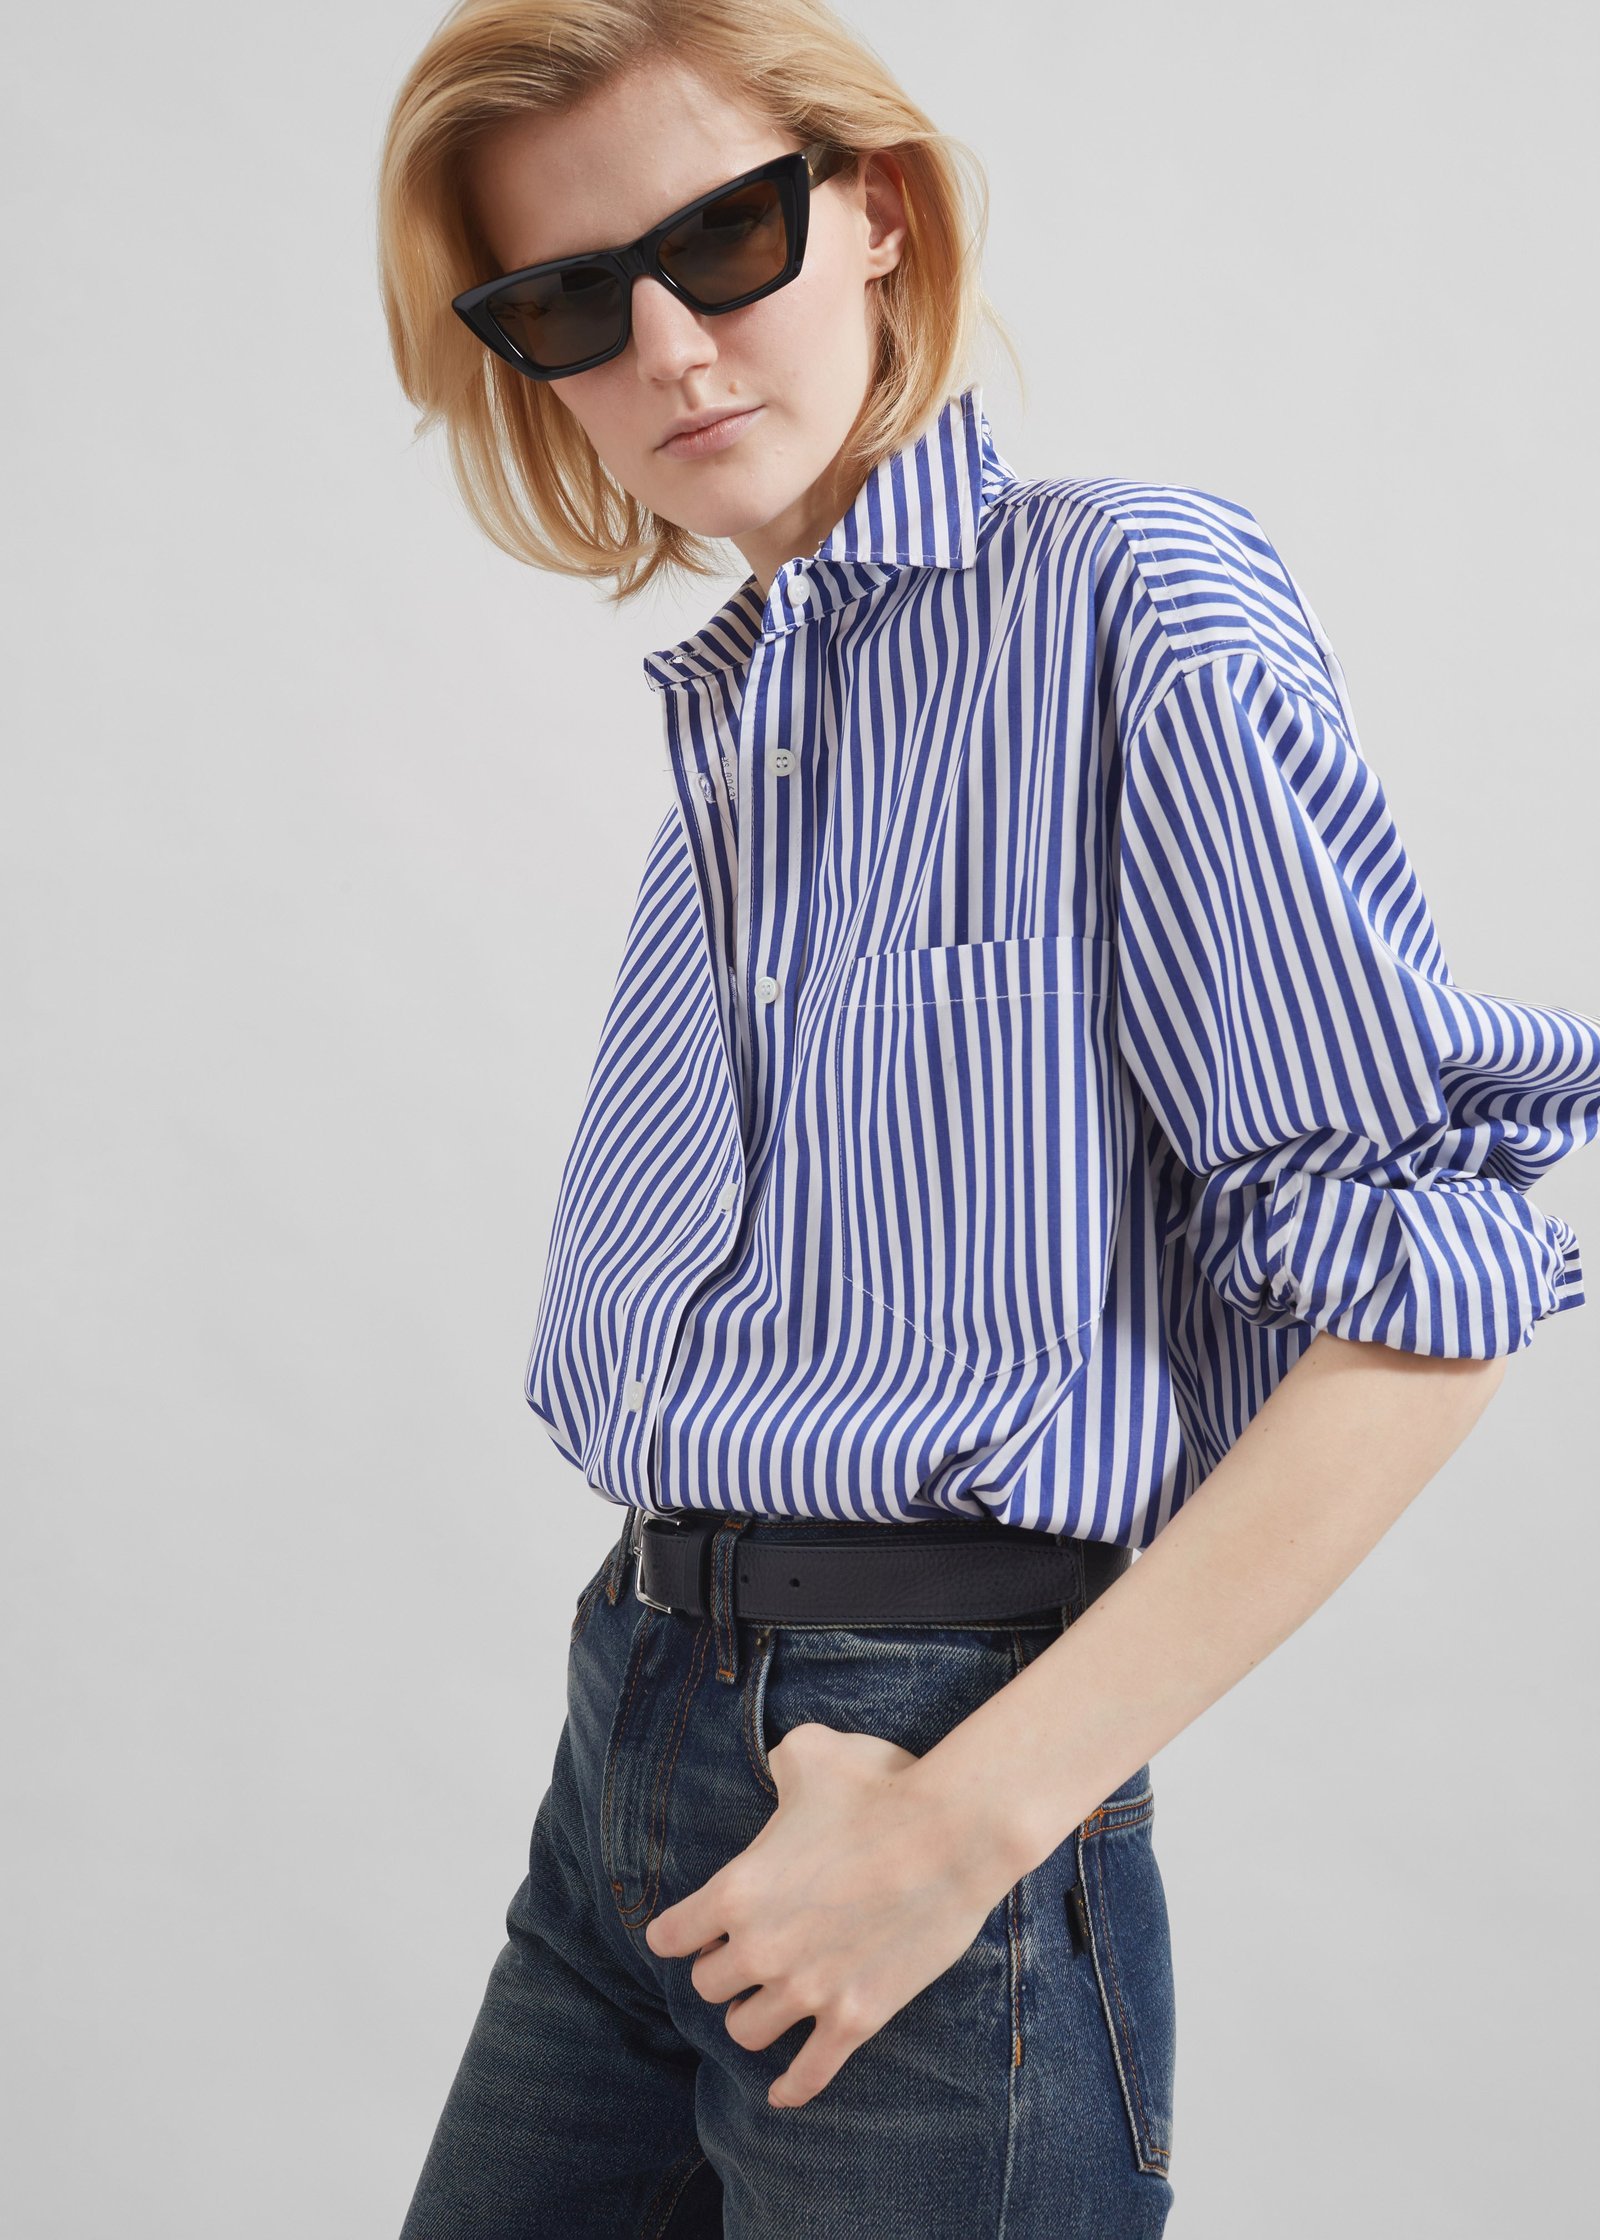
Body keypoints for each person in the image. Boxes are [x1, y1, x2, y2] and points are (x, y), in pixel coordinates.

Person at [376, 4, 1600, 2233]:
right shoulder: (743, 735)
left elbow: (1422, 1308)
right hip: (627, 1740)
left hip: (921, 1769)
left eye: (721, 240)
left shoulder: (1129, 596)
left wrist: (960, 1824)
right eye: (567, 300)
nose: (665, 348)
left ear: (875, 211)